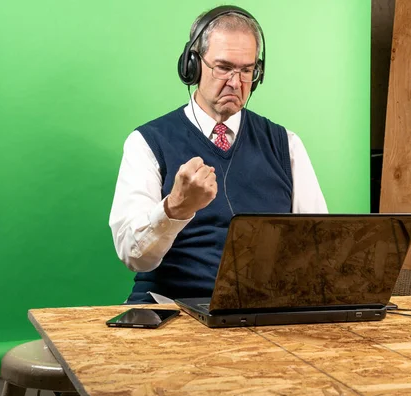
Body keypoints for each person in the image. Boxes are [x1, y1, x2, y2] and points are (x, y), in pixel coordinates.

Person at [109, 5, 328, 304]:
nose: (236, 83)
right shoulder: (147, 142)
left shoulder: (286, 144)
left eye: (247, 70)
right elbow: (133, 256)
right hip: (170, 309)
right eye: (223, 67)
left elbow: (319, 246)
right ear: (193, 65)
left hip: (260, 313)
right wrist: (175, 208)